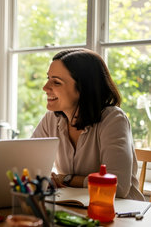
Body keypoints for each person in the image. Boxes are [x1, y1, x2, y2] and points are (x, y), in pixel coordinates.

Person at [32, 48, 144, 201]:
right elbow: (28, 167)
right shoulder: (51, 119)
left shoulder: (113, 119)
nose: (45, 87)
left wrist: (66, 178)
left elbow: (117, 186)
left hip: (121, 213)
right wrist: (46, 177)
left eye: (56, 82)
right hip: (75, 207)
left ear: (83, 88)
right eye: (48, 78)